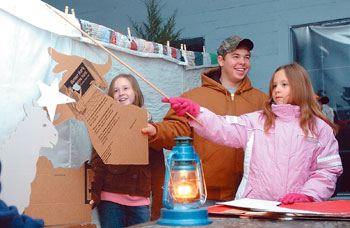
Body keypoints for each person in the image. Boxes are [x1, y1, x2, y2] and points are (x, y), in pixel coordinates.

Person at [163, 62, 343, 203]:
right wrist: (196, 112)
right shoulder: (257, 121)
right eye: (274, 85)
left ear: (300, 87)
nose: (277, 90)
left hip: (297, 211)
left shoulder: (319, 128)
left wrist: (308, 195)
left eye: (284, 84)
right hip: (254, 208)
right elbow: (224, 127)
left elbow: (327, 171)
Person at [142, 35, 268, 205]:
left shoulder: (262, 101)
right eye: (236, 56)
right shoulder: (194, 98)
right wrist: (156, 131)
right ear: (222, 60)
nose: (243, 62)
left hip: (250, 197)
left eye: (246, 57)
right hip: (204, 196)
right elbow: (177, 129)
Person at [89, 74, 164, 228]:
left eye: (125, 88)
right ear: (111, 97)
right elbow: (97, 164)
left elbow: (158, 170)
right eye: (116, 91)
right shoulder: (105, 127)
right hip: (110, 200)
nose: (121, 93)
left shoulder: (150, 128)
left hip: (140, 201)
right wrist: (94, 195)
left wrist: (158, 207)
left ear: (135, 93)